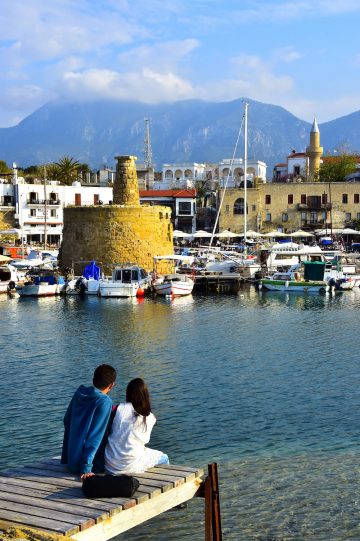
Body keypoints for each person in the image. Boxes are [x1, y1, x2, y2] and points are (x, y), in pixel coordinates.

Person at [61, 364, 117, 479]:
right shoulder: (104, 402)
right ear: (112, 385)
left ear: (93, 380)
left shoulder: (79, 393)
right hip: (89, 465)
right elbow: (95, 437)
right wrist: (87, 468)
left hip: (71, 461)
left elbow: (67, 420)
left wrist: (67, 456)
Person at [105, 378, 169, 474]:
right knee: (165, 458)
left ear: (128, 393)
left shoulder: (117, 408)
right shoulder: (149, 417)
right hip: (129, 464)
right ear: (145, 395)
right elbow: (145, 439)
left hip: (110, 463)